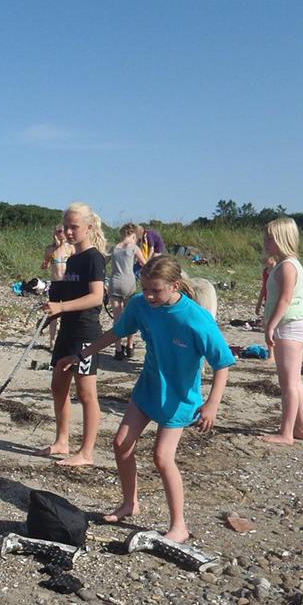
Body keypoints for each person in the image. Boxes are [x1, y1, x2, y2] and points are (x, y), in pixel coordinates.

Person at [57, 255, 235, 544]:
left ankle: (179, 525)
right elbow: (116, 332)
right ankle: (130, 503)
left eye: (156, 290)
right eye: (146, 289)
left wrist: (212, 404)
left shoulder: (196, 318)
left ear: (174, 285)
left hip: (179, 397)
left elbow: (222, 363)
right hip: (149, 387)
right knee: (121, 443)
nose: (149, 296)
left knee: (162, 457)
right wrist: (81, 355)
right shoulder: (140, 305)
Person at [38, 202, 107, 467]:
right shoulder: (73, 258)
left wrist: (62, 307)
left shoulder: (94, 258)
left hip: (85, 331)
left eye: (74, 227)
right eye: (65, 226)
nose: (68, 231)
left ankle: (86, 452)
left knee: (86, 393)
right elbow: (69, 293)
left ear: (88, 228)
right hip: (67, 329)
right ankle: (62, 441)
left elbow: (96, 297)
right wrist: (53, 308)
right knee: (58, 386)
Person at [260, 217, 303, 445]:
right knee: (295, 381)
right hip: (294, 324)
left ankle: (286, 433)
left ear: (282, 239)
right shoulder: (285, 264)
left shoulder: (288, 266)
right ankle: (301, 428)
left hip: (290, 325)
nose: (266, 242)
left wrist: (271, 325)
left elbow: (285, 299)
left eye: (270, 239)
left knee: (288, 383)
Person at [108, 223, 148, 360]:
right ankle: (130, 346)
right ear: (133, 236)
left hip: (114, 282)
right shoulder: (134, 248)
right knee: (130, 316)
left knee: (117, 318)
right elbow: (145, 264)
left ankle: (118, 350)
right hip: (128, 283)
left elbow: (103, 262)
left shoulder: (114, 248)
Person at [40, 225, 73, 348]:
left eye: (64, 231)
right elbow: (45, 264)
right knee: (53, 314)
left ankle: (65, 340)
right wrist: (45, 264)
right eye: (59, 231)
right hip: (55, 283)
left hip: (68, 283)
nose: (62, 233)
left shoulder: (70, 248)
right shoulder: (50, 249)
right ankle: (52, 341)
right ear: (55, 233)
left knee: (67, 312)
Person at [254, 255, 277, 321]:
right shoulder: (265, 271)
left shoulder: (278, 270)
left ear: (272, 258)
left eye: (266, 259)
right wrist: (259, 303)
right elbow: (264, 287)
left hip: (276, 298)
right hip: (268, 299)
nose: (264, 261)